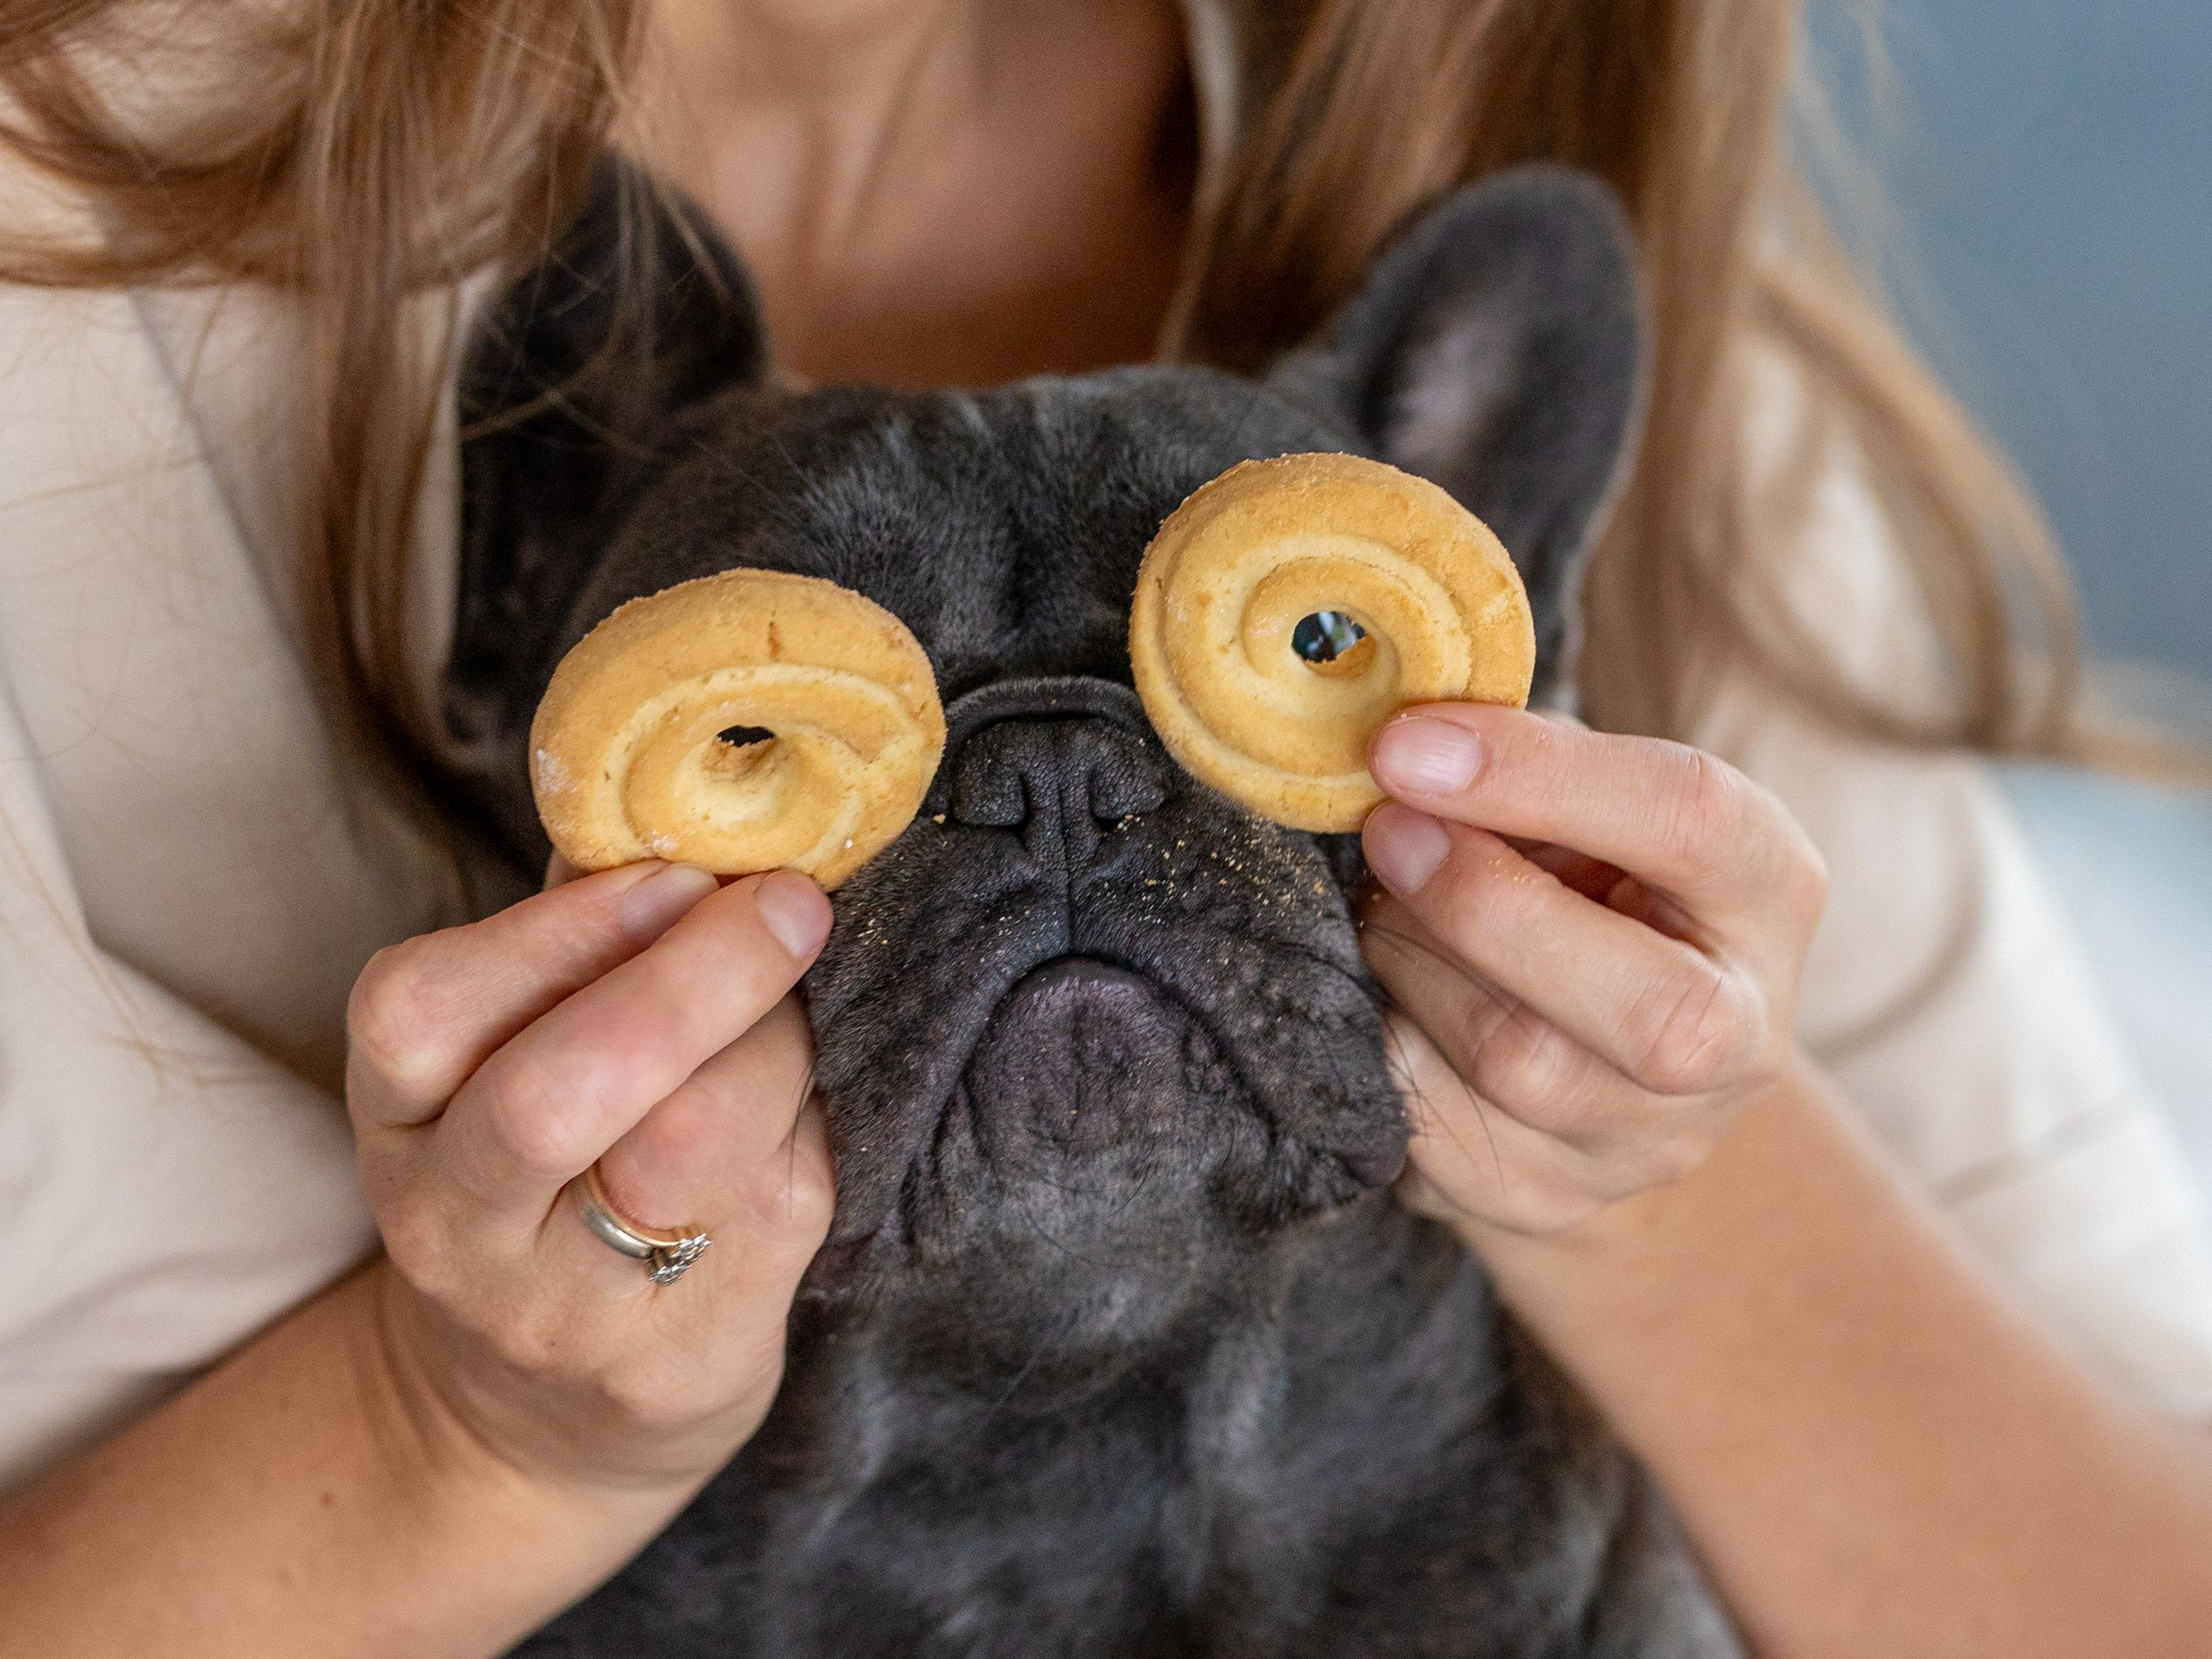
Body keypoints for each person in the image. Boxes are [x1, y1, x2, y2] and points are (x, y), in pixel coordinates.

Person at [1, 1, 2208, 1653]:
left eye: (1236, 729)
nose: (1059, 808)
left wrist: (1644, 1153)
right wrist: (452, 1439)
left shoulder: (1594, 242)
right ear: (536, 634)